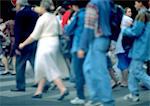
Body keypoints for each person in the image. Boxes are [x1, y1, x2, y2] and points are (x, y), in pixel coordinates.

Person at [19, 0, 69, 100]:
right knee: (43, 67)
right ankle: (39, 91)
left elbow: (34, 35)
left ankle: (62, 88)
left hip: (45, 43)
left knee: (48, 66)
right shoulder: (54, 18)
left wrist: (23, 44)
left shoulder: (42, 19)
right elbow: (61, 31)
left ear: (42, 7)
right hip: (55, 43)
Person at [78, 0, 115, 106]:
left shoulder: (93, 4)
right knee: (88, 68)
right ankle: (96, 97)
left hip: (97, 39)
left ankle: (107, 101)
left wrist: (82, 46)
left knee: (99, 72)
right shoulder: (106, 2)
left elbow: (89, 27)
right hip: (104, 38)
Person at [123, 0, 150, 102]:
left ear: (140, 3)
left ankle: (134, 94)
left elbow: (135, 32)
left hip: (140, 48)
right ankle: (133, 94)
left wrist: (124, 30)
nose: (134, 5)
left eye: (135, 2)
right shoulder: (147, 14)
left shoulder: (141, 15)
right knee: (133, 71)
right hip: (144, 47)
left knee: (137, 71)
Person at [11, 0, 39, 92]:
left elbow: (18, 31)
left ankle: (20, 86)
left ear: (19, 5)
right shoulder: (34, 13)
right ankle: (44, 83)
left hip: (22, 43)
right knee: (35, 63)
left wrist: (16, 46)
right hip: (33, 40)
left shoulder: (20, 14)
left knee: (20, 65)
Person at [64, 0, 89, 104]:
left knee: (78, 74)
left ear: (74, 6)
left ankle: (80, 97)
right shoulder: (89, 13)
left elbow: (68, 29)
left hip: (78, 47)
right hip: (89, 47)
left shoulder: (78, 15)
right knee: (88, 72)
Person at [115, 7, 133, 87]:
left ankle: (125, 81)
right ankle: (124, 80)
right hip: (124, 44)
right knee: (124, 64)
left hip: (121, 45)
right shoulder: (125, 19)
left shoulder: (122, 18)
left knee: (123, 64)